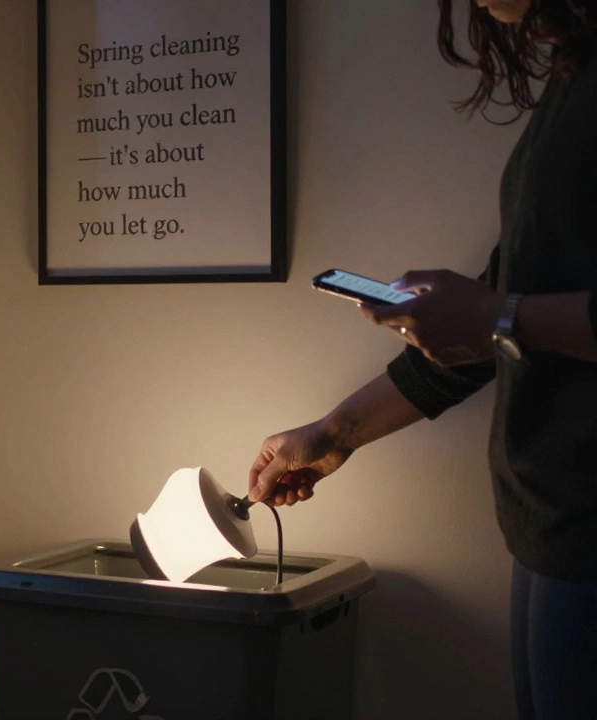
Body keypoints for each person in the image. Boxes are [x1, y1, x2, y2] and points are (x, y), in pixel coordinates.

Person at [246, 1, 597, 718]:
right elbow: (511, 307)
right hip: (549, 527)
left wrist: (496, 317)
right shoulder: (576, 75)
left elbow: (506, 314)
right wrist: (336, 432)